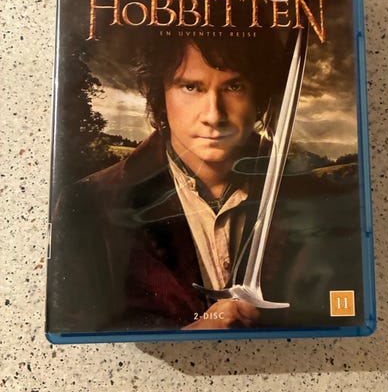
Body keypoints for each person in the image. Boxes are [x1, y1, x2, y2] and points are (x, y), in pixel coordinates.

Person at [47, 32, 289, 332]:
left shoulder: (312, 194)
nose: (214, 115)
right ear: (160, 93)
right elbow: (76, 336)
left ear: (260, 97)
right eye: (191, 87)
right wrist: (190, 337)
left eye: (234, 87)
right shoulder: (87, 202)